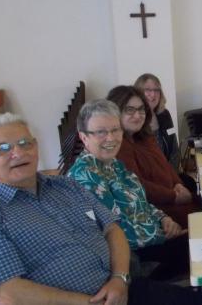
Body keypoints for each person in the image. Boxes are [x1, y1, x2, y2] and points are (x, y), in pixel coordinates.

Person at [0, 113, 202, 304]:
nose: (18, 153)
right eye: (4, 149)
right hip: (81, 302)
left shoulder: (65, 186)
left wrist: (119, 279)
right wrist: (90, 302)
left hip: (122, 287)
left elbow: (112, 230)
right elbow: (9, 294)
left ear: (36, 146)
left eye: (24, 143)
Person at [69, 99, 190, 281]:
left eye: (115, 130)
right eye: (101, 132)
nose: (110, 138)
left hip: (155, 240)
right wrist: (165, 235)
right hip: (135, 258)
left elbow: (141, 202)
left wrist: (164, 218)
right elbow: (116, 230)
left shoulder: (114, 164)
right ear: (84, 137)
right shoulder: (85, 176)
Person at [108, 85, 201, 228]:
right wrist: (174, 196)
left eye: (141, 109)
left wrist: (178, 184)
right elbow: (137, 185)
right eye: (130, 110)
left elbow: (166, 165)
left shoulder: (144, 137)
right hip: (159, 211)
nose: (138, 115)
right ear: (115, 112)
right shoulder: (119, 146)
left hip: (173, 199)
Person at [134, 73, 180, 170]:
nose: (153, 94)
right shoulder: (134, 120)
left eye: (156, 90)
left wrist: (173, 177)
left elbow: (174, 149)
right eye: (147, 90)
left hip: (169, 172)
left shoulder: (164, 114)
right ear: (138, 92)